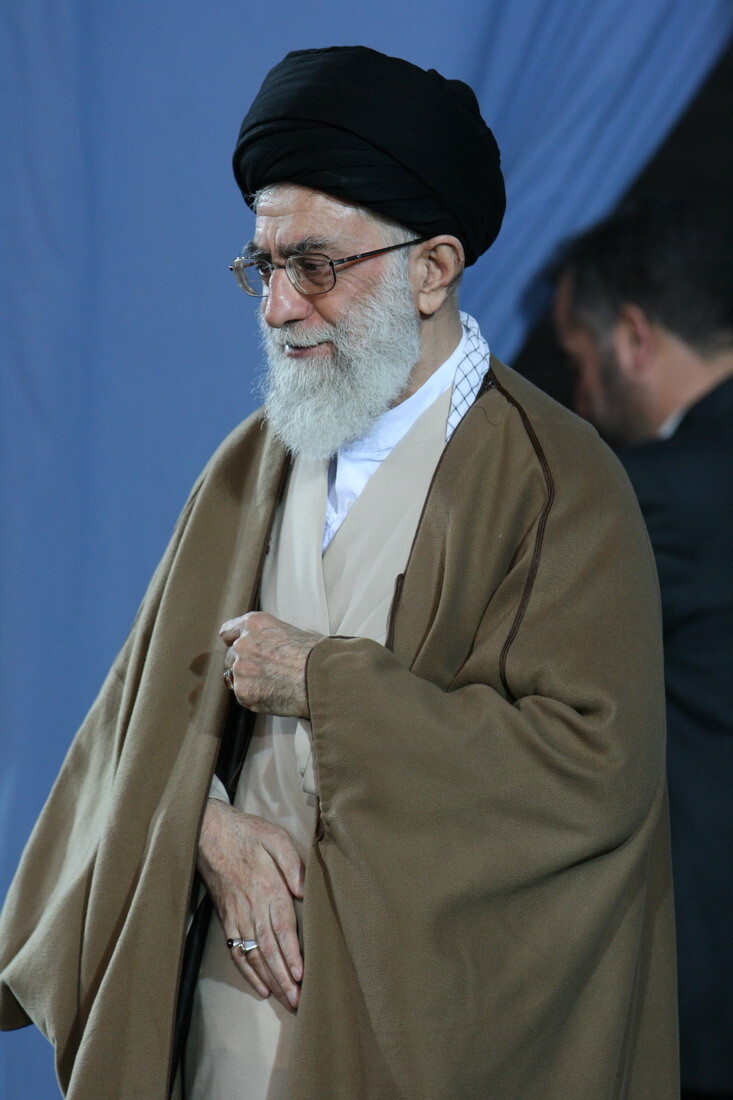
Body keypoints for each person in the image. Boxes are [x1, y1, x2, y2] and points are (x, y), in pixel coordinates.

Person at [0, 47, 677, 1100]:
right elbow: (133, 733)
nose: (278, 306)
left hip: (414, 1038)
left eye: (315, 265)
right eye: (263, 266)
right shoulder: (248, 463)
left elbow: (589, 778)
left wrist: (327, 683)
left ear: (433, 268)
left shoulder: (558, 484)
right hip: (217, 1025)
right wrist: (203, 826)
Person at [553, 198, 733, 1100]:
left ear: (631, 337)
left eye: (577, 360)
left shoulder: (645, 497)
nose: (578, 398)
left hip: (698, 992)